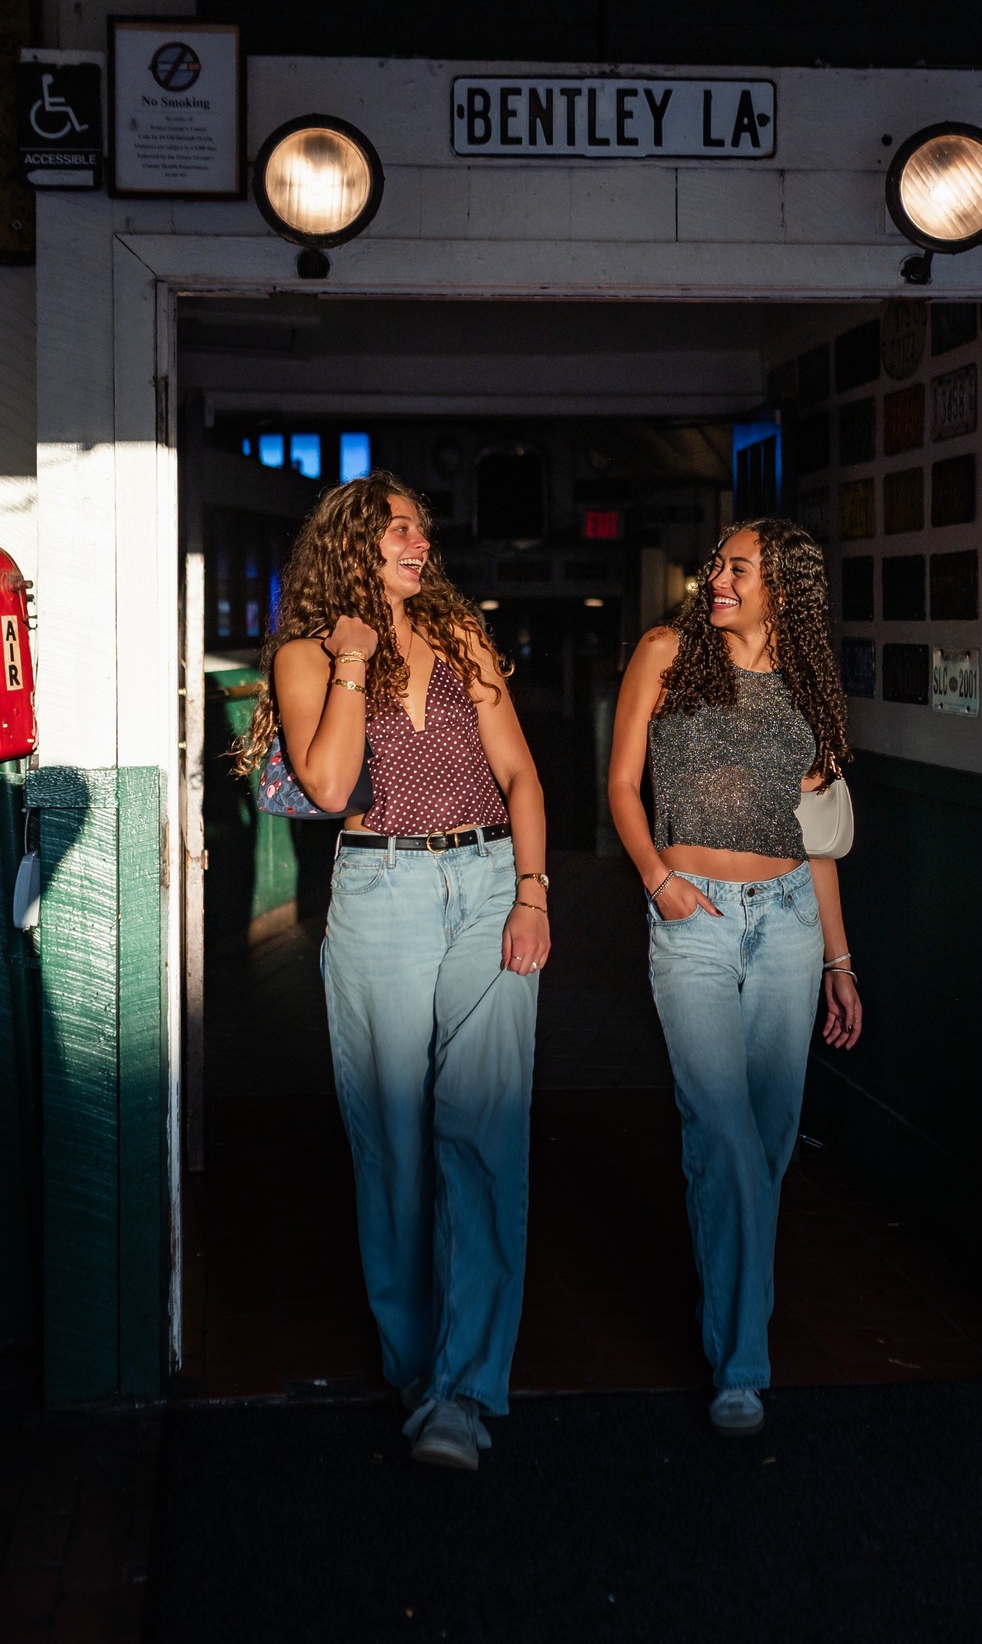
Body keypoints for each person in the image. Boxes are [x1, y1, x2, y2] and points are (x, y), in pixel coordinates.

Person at [236, 472, 550, 1471]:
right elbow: (326, 786)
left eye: (421, 527)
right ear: (353, 542)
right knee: (392, 1145)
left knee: (485, 1135)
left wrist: (535, 894)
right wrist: (350, 665)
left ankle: (463, 1388)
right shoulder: (304, 651)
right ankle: (418, 1369)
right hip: (380, 894)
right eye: (399, 529)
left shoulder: (461, 636)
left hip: (490, 878)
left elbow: (521, 772)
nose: (420, 542)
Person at [608, 516, 861, 1437]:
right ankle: (740, 1367)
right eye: (716, 562)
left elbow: (818, 839)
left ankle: (733, 1336)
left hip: (792, 919)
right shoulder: (666, 652)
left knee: (770, 1139)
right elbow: (621, 785)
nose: (715, 577)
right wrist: (660, 881)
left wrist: (839, 959)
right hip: (693, 922)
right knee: (720, 1129)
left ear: (782, 588)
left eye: (737, 568)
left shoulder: (807, 683)